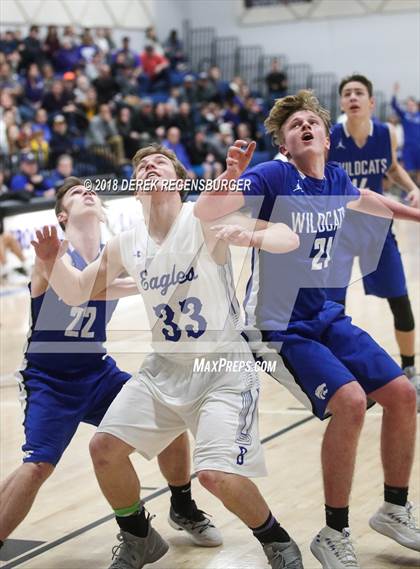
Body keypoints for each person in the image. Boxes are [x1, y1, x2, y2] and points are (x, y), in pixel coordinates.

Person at [31, 144, 304, 569]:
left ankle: (277, 540)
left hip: (221, 369)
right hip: (164, 370)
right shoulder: (126, 242)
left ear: (179, 181)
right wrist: (50, 263)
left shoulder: (203, 217)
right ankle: (139, 535)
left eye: (160, 162)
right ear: (136, 190)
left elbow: (288, 237)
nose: (148, 165)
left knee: (215, 476)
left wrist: (251, 236)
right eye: (141, 165)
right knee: (103, 448)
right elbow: (77, 290)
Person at [194, 90, 420, 569]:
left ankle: (395, 508)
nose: (305, 127)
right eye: (294, 125)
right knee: (352, 402)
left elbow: (372, 200)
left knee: (402, 394)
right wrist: (230, 176)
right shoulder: (274, 175)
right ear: (285, 143)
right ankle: (334, 533)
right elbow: (207, 211)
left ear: (326, 134)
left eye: (311, 122)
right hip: (279, 327)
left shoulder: (336, 178)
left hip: (327, 317)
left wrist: (414, 211)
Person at [0, 178, 218, 553]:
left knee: (168, 414)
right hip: (50, 381)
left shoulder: (112, 254)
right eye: (74, 193)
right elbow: (92, 287)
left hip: (98, 373)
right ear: (62, 214)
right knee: (38, 466)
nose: (87, 192)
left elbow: (136, 282)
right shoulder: (54, 253)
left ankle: (182, 505)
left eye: (91, 191)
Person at [327, 74, 420, 399]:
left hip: (377, 230)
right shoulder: (330, 137)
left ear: (370, 102)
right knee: (331, 306)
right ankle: (336, 374)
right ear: (342, 103)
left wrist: (412, 188)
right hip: (338, 232)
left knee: (400, 300)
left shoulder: (385, 133)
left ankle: (410, 370)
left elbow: (391, 167)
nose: (353, 96)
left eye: (359, 92)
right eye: (347, 93)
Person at [391, 82, 420, 185]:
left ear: (416, 105)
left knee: (418, 173)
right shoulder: (405, 116)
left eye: (412, 104)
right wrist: (395, 92)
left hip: (418, 147)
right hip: (408, 147)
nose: (410, 106)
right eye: (408, 105)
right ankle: (407, 193)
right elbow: (394, 105)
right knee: (407, 171)